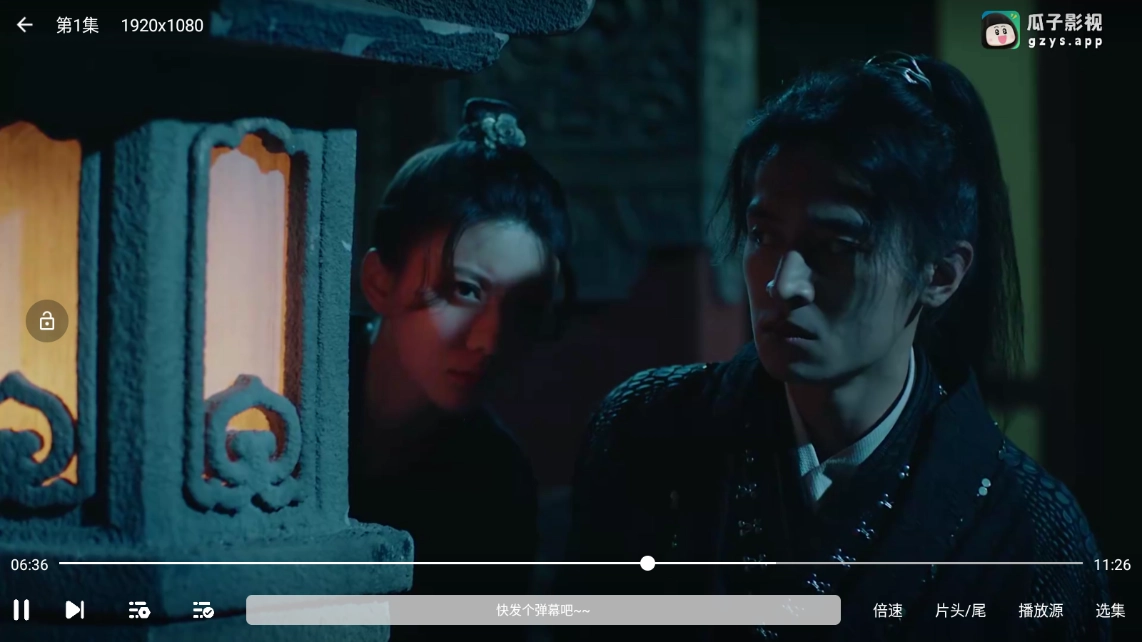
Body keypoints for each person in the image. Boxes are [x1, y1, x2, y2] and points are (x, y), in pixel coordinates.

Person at [556, 54, 1109, 641]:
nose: (783, 283)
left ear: (941, 274)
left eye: (837, 245)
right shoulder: (645, 429)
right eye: (763, 236)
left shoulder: (1031, 533)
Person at [349, 98, 573, 639]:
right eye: (466, 290)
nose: (489, 340)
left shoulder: (496, 484)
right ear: (380, 282)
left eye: (522, 309)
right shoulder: (281, 392)